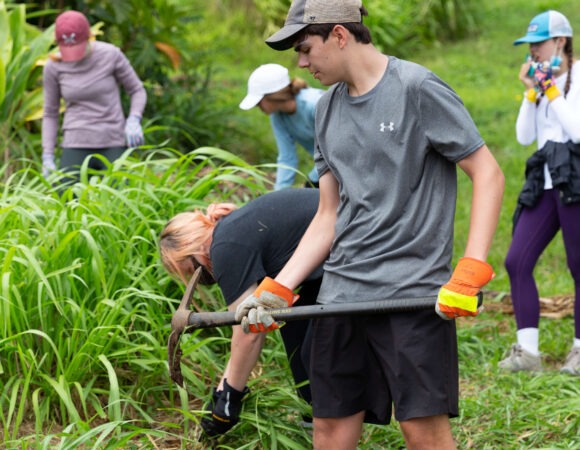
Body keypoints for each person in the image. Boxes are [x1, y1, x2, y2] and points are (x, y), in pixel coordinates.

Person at [234, 1, 505, 449]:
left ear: (339, 35)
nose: (300, 63)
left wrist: (471, 268)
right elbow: (328, 214)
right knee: (331, 426)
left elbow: (488, 173)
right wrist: (278, 289)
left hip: (410, 292)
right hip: (341, 295)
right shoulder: (326, 111)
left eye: (305, 48)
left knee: (422, 431)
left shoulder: (416, 87)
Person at [159, 188, 323, 437]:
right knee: (297, 328)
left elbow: (249, 332)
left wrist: (229, 399)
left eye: (191, 269)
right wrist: (223, 390)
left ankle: (328, 422)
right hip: (336, 242)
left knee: (312, 344)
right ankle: (317, 417)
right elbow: (254, 321)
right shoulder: (232, 230)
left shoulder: (224, 246)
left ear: (193, 248)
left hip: (350, 236)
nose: (200, 278)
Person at [499, 10, 580, 375]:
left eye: (538, 44)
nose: (532, 52)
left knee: (578, 266)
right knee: (517, 260)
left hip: (575, 180)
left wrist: (551, 89)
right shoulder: (541, 81)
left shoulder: (578, 77)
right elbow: (523, 136)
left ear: (560, 42)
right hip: (545, 182)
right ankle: (528, 353)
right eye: (529, 46)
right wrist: (532, 93)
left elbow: (576, 132)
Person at [42, 10, 147, 185]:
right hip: (75, 141)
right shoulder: (53, 67)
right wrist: (47, 155)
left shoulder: (110, 55)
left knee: (123, 198)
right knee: (66, 199)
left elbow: (137, 90)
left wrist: (134, 119)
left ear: (88, 37)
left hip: (112, 138)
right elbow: (50, 113)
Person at [239, 63, 324, 190]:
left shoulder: (314, 104)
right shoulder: (278, 116)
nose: (257, 107)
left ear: (273, 95)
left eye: (258, 102)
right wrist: (278, 196)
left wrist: (312, 180)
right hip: (325, 168)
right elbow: (287, 158)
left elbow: (336, 148)